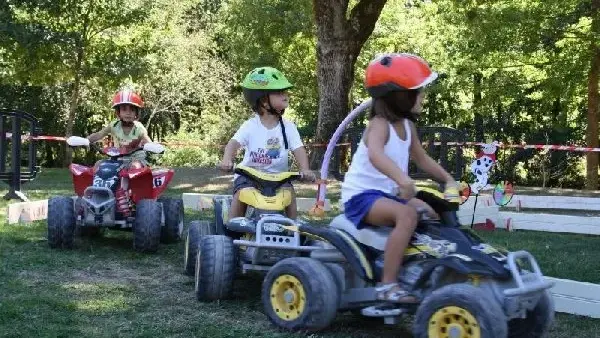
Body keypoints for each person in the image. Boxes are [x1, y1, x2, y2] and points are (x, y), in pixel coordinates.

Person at [340, 53, 460, 303]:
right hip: (361, 196)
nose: (423, 96)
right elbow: (375, 154)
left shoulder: (407, 126)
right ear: (399, 95)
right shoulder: (379, 123)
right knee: (407, 214)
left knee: (431, 213)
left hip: (387, 195)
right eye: (419, 91)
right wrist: (403, 180)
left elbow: (422, 158)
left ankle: (421, 270)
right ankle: (388, 284)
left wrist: (448, 180)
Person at [218, 67, 315, 220]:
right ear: (263, 100)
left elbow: (299, 149)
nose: (285, 95)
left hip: (279, 178)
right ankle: (233, 227)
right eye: (279, 92)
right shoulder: (251, 125)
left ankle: (293, 228)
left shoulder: (289, 127)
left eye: (285, 91)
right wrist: (227, 159)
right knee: (243, 193)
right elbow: (234, 143)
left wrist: (305, 169)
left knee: (289, 194)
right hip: (250, 176)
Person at [86, 89, 152, 170]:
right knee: (98, 164)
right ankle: (96, 182)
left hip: (136, 158)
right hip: (117, 159)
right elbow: (99, 134)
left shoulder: (139, 128)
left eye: (132, 109)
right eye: (124, 109)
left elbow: (148, 141)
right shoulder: (114, 125)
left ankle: (133, 181)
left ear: (136, 113)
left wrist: (153, 146)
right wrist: (86, 140)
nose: (128, 113)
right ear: (118, 112)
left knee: (135, 166)